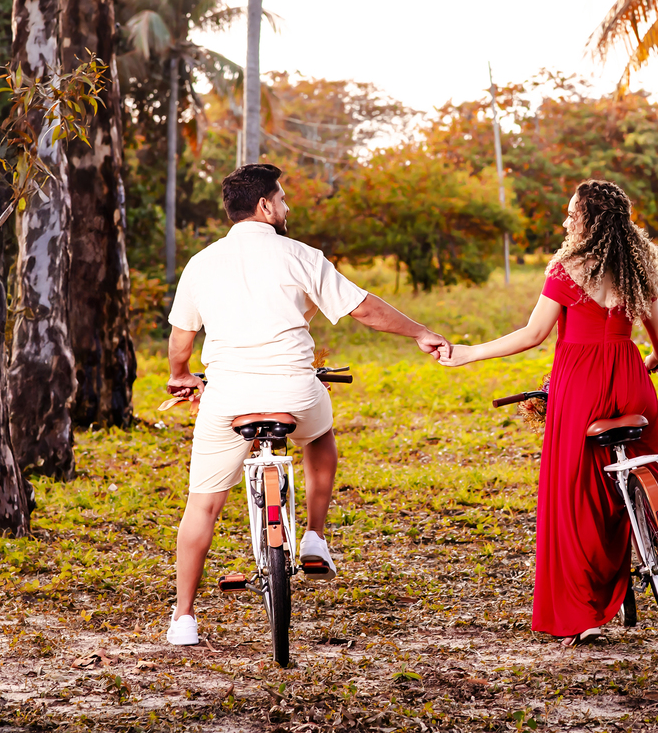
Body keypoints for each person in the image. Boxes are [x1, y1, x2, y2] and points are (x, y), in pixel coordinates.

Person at [164, 163, 452, 646]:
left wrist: (180, 375)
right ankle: (314, 536)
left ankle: (184, 619)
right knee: (318, 437)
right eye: (282, 199)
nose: (287, 207)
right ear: (265, 206)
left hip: (226, 397)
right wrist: (422, 331)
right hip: (294, 391)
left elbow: (181, 339)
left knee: (203, 504)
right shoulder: (299, 255)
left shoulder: (201, 263)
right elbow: (363, 308)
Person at [439, 179, 658, 644]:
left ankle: (582, 610)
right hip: (632, 382)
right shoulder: (635, 266)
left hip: (579, 389)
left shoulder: (567, 269)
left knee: (574, 498)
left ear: (587, 220)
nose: (565, 221)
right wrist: (649, 364)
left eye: (571, 213)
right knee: (654, 475)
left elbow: (532, 335)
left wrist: (467, 353)